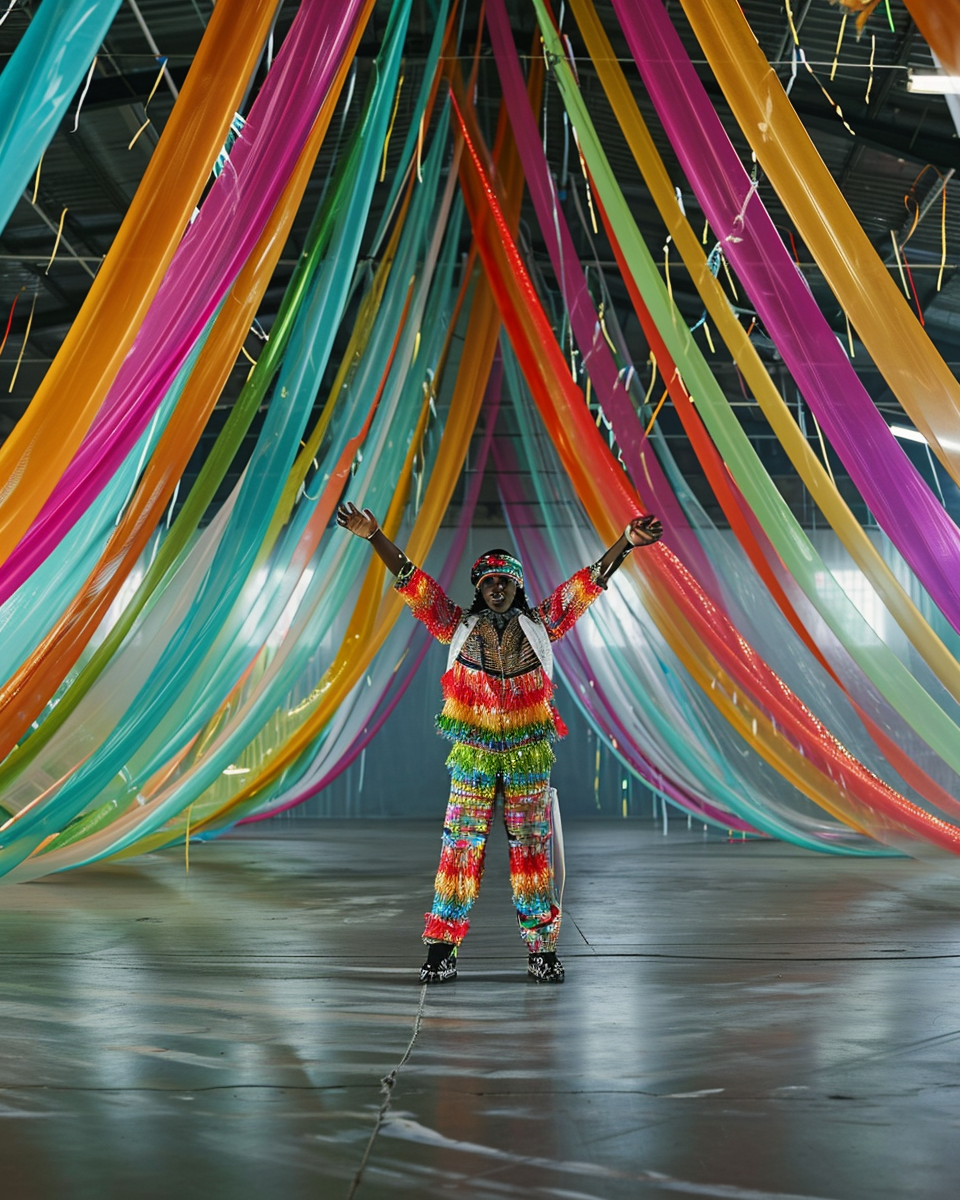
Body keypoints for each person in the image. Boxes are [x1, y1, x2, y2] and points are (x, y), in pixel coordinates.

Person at [336, 500, 663, 984]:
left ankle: (543, 951)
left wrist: (626, 545)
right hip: (473, 752)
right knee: (459, 850)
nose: (495, 588)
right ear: (478, 588)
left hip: (529, 754)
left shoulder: (542, 624)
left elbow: (587, 583)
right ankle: (441, 950)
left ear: (517, 586)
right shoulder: (455, 625)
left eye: (503, 581)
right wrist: (374, 535)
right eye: (487, 582)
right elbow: (412, 581)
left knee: (532, 851)